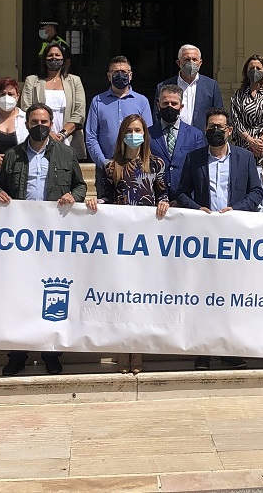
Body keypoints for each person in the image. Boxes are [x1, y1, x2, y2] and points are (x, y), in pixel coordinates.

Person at [0, 103, 87, 376]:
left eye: (44, 121)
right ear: (26, 124)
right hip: (20, 239)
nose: (39, 126)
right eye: (34, 121)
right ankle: (17, 354)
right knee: (20, 296)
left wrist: (74, 196)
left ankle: (51, 352)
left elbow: (80, 185)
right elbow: (1, 185)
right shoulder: (13, 155)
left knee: (51, 296)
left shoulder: (66, 153)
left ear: (51, 123)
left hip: (53, 238)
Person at [174, 108, 263, 370]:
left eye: (220, 127)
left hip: (234, 238)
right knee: (203, 295)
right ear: (205, 129)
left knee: (230, 296)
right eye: (211, 126)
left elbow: (256, 192)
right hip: (202, 238)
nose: (215, 131)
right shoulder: (194, 159)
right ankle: (203, 351)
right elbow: (181, 192)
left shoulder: (245, 159)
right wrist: (195, 209)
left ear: (229, 131)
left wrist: (236, 211)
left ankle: (229, 350)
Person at [86, 113, 168, 375]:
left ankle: (139, 349)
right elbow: (107, 198)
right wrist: (96, 203)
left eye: (139, 129)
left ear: (145, 134)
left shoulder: (156, 164)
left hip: (147, 244)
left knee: (142, 296)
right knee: (122, 295)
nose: (135, 134)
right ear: (122, 134)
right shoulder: (110, 167)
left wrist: (165, 203)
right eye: (130, 130)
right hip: (121, 243)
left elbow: (164, 194)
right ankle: (123, 348)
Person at [86, 55, 153, 189]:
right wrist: (104, 163)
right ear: (109, 76)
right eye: (116, 72)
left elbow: (147, 135)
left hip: (135, 168)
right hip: (106, 167)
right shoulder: (97, 101)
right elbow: (91, 137)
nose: (120, 75)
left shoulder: (142, 101)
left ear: (131, 75)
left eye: (124, 72)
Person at [22, 41, 86, 154]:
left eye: (57, 55)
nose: (54, 58)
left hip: (67, 139)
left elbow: (79, 111)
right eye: (50, 55)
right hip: (39, 138)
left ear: (64, 59)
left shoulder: (74, 81)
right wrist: (47, 132)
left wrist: (62, 134)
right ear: (45, 59)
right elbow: (26, 109)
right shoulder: (32, 81)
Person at [148, 84, 206, 200]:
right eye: (165, 103)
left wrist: (186, 200)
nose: (169, 107)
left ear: (181, 106)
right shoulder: (148, 134)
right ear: (158, 105)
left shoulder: (195, 135)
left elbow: (200, 171)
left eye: (174, 103)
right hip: (155, 200)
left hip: (186, 201)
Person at [154, 44, 225, 132]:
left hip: (202, 139)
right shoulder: (163, 86)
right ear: (179, 63)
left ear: (200, 62)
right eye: (187, 60)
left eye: (194, 59)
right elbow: (157, 116)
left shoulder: (211, 85)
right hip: (172, 137)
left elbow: (219, 114)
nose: (191, 63)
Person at [230, 54, 263, 160]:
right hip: (244, 145)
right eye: (251, 68)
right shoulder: (238, 95)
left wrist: (261, 141)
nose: (255, 70)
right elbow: (236, 121)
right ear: (246, 71)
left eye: (258, 68)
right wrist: (251, 141)